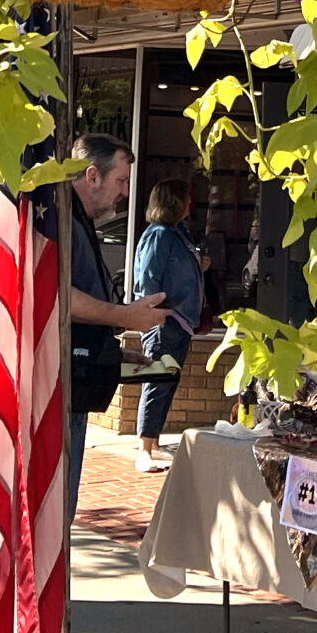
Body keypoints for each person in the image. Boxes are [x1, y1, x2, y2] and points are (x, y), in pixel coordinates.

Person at [55, 133, 165, 514]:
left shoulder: (80, 222)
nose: (125, 193)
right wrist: (125, 316)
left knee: (62, 510)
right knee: (54, 512)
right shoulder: (61, 218)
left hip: (78, 383)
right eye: (120, 181)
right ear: (92, 175)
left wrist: (119, 349)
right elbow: (59, 296)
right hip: (58, 387)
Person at [128, 177, 203, 472]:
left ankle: (153, 442)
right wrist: (154, 311)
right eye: (186, 197)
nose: (190, 203)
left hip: (179, 320)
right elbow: (147, 277)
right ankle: (144, 449)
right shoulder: (158, 234)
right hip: (164, 320)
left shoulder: (176, 234)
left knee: (166, 380)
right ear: (174, 201)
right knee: (157, 381)